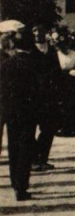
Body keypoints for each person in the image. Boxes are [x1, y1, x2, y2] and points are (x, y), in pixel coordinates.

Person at [0, 29, 36, 200]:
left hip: (10, 112)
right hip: (28, 112)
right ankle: (21, 187)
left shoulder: (6, 64)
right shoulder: (34, 64)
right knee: (26, 149)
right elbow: (39, 91)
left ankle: (15, 184)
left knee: (13, 148)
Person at [29, 22, 63, 169]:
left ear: (45, 33)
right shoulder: (30, 51)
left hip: (50, 96)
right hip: (33, 96)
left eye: (40, 31)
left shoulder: (52, 50)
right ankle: (33, 159)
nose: (38, 34)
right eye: (35, 32)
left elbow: (57, 70)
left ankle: (42, 158)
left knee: (49, 128)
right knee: (29, 129)